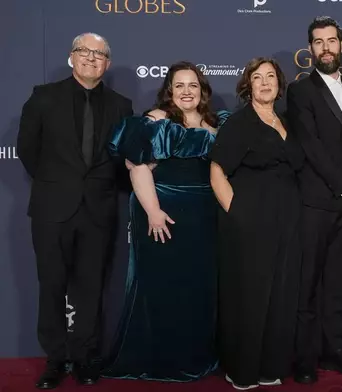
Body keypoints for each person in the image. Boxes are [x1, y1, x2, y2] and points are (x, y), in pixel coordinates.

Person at [16, 32, 133, 389]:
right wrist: (58, 185)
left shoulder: (121, 105)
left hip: (98, 210)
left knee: (91, 288)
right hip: (52, 209)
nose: (91, 58)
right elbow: (27, 150)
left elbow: (120, 160)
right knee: (51, 285)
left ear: (107, 63)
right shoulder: (43, 97)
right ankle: (54, 359)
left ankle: (84, 358)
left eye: (99, 54)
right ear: (72, 57)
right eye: (84, 51)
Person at [102, 61, 228, 382]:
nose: (187, 91)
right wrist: (153, 211)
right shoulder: (156, 120)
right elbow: (138, 167)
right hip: (164, 215)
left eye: (193, 85)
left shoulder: (216, 123)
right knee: (164, 286)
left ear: (202, 91)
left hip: (204, 218)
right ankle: (161, 359)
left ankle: (196, 354)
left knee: (197, 288)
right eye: (179, 85)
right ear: (169, 90)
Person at [209, 57, 304, 391]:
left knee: (280, 292)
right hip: (250, 218)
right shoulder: (239, 123)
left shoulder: (288, 121)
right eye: (257, 77)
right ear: (247, 85)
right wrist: (237, 213)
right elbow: (217, 171)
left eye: (270, 77)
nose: (265, 82)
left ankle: (269, 365)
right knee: (249, 295)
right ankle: (242, 368)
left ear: (279, 84)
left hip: (288, 218)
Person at [286, 16, 342, 384]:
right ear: (310, 50)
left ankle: (333, 351)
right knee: (307, 285)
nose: (325, 48)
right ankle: (304, 358)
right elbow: (312, 148)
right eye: (318, 42)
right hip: (315, 203)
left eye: (331, 41)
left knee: (336, 284)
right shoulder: (300, 91)